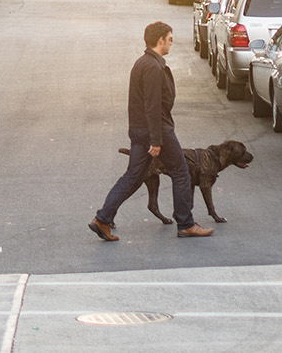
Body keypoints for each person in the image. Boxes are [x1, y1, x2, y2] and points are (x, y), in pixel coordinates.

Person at [90, 21, 213, 241]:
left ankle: (103, 219)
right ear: (160, 40)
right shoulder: (154, 67)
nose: (171, 43)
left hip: (140, 130)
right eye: (170, 39)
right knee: (181, 172)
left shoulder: (142, 62)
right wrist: (156, 140)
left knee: (133, 177)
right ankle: (186, 223)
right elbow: (153, 106)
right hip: (157, 130)